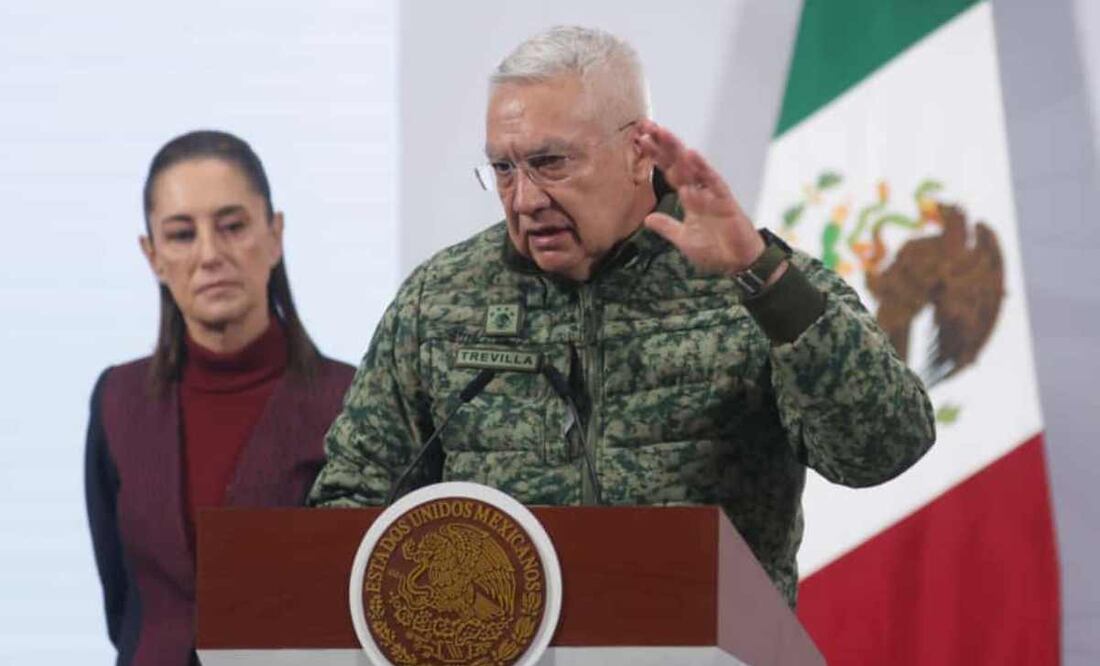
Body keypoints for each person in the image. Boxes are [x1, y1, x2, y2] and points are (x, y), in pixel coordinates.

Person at [308, 26, 935, 606]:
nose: (524, 199)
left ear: (639, 151)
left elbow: (883, 449)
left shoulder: (749, 283)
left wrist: (762, 276)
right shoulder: (441, 299)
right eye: (503, 168)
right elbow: (351, 502)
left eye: (551, 163)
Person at [84, 130, 355, 665]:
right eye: (182, 234)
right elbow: (125, 604)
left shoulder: (349, 403)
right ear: (153, 254)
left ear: (274, 235)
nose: (210, 255)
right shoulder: (117, 401)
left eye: (233, 227)